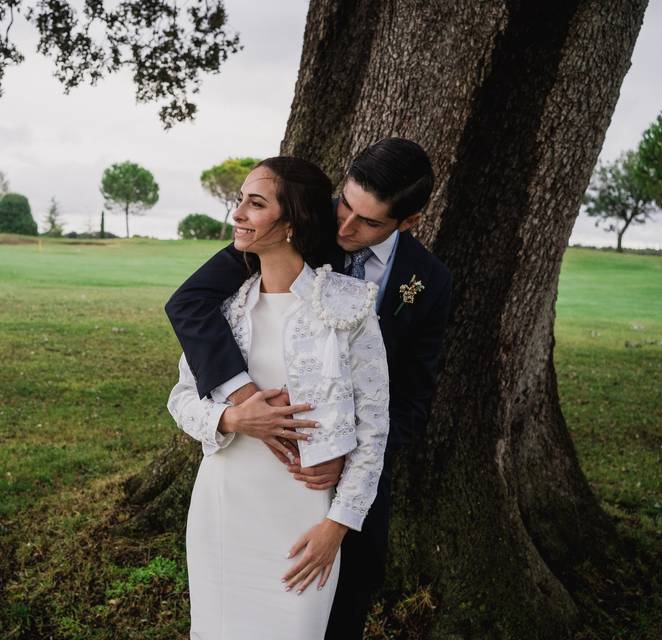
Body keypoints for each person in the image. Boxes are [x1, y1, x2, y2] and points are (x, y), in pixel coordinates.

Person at [165, 138, 452, 639]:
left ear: (406, 223)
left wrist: (340, 452)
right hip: (240, 491)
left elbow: (407, 397)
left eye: (367, 222)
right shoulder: (287, 236)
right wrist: (241, 404)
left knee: (336, 609)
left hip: (339, 487)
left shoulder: (428, 280)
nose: (345, 227)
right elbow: (189, 305)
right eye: (345, 205)